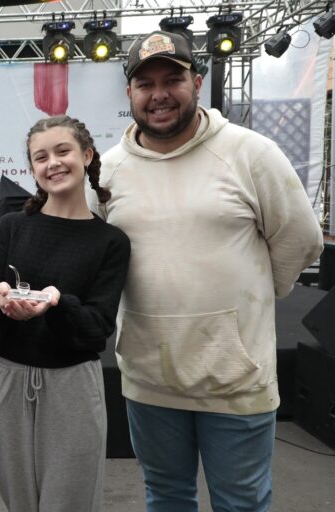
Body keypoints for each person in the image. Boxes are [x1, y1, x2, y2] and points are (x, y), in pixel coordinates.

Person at [91, 30, 324, 511]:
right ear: (130, 94)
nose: (159, 95)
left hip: (236, 380)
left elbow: (300, 239)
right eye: (145, 83)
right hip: (149, 378)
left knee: (240, 503)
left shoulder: (250, 153)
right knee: (166, 498)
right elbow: (94, 258)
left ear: (197, 82)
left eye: (172, 79)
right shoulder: (108, 171)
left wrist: (256, 298)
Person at [0, 115, 130, 512]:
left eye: (62, 151)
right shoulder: (11, 227)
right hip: (7, 380)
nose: (52, 163)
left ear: (87, 155)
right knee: (19, 501)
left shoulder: (110, 241)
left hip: (73, 386)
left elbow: (97, 329)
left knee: (69, 502)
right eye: (40, 157)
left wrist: (58, 305)